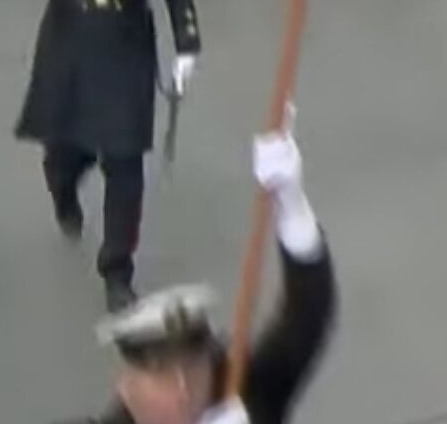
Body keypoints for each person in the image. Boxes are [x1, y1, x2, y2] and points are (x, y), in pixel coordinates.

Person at [0, 0, 206, 306]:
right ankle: (63, 187)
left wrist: (187, 43)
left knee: (125, 161)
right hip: (69, 44)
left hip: (127, 44)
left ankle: (116, 269)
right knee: (66, 153)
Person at [76, 132, 338, 424]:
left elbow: (306, 314)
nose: (183, 393)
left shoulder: (248, 392)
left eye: (192, 370)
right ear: (127, 386)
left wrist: (290, 205)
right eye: (162, 375)